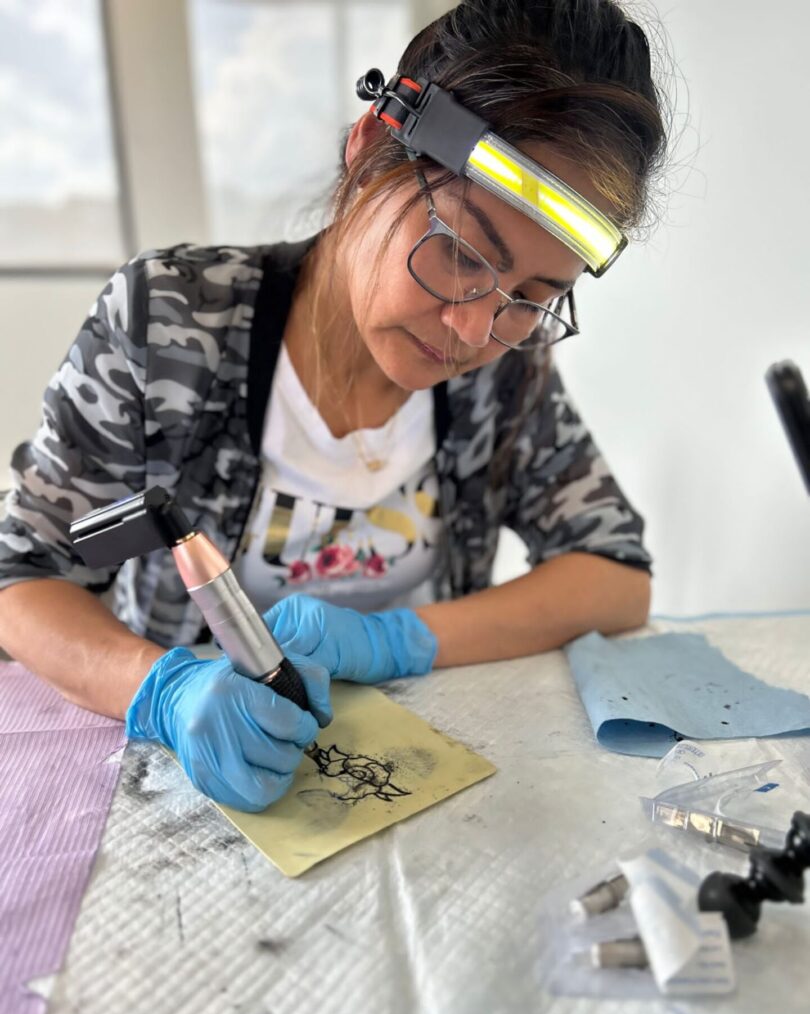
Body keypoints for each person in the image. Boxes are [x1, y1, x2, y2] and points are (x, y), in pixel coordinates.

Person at [0, 0, 668, 812]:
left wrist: (401, 642)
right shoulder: (173, 321)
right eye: (457, 252)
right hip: (199, 800)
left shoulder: (505, 367)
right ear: (365, 155)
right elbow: (21, 576)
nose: (471, 329)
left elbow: (615, 574)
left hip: (423, 791)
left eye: (532, 294)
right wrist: (162, 690)